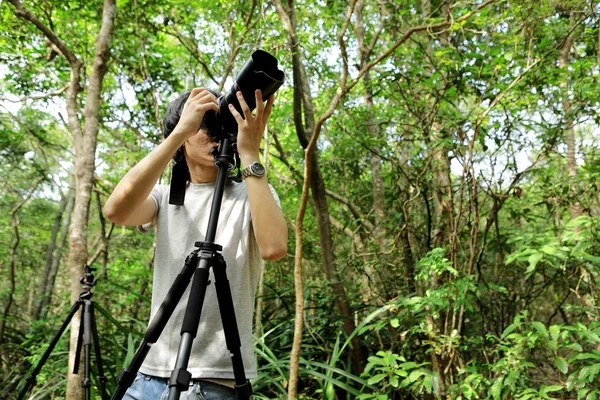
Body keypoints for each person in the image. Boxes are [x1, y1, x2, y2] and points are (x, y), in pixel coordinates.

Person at [103, 88, 288, 399]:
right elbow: (115, 210)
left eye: (221, 124)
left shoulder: (251, 195)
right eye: (206, 124)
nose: (216, 133)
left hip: (216, 381)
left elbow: (274, 248)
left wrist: (250, 154)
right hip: (149, 374)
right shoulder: (165, 196)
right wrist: (178, 134)